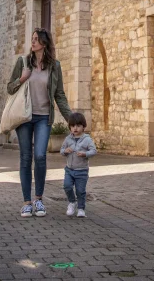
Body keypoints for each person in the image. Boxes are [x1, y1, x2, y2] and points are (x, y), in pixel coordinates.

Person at [7, 27, 71, 219]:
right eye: (32, 39)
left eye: (36, 39)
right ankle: (26, 202)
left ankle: (38, 199)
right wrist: (22, 78)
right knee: (26, 158)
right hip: (24, 117)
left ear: (44, 43)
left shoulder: (55, 66)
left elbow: (59, 95)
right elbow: (10, 88)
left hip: (44, 117)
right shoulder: (23, 62)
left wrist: (71, 118)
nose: (32, 42)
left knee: (40, 156)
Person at [60, 111, 97, 218]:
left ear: (83, 127)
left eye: (78, 126)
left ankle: (81, 209)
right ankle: (72, 202)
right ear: (70, 127)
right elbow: (62, 150)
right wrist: (65, 151)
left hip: (82, 171)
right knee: (67, 186)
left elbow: (94, 151)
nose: (75, 128)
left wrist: (85, 154)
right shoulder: (68, 139)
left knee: (80, 191)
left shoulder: (87, 139)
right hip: (69, 169)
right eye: (72, 126)